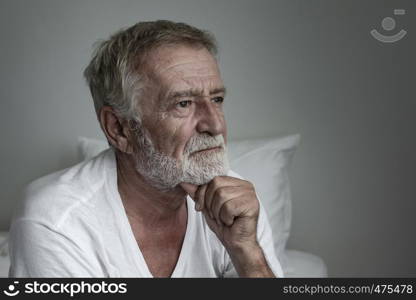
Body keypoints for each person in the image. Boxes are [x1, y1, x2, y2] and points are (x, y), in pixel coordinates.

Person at [9, 20, 283, 278]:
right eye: (183, 103)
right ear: (119, 128)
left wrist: (248, 254)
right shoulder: (56, 221)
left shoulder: (236, 203)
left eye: (217, 99)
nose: (215, 124)